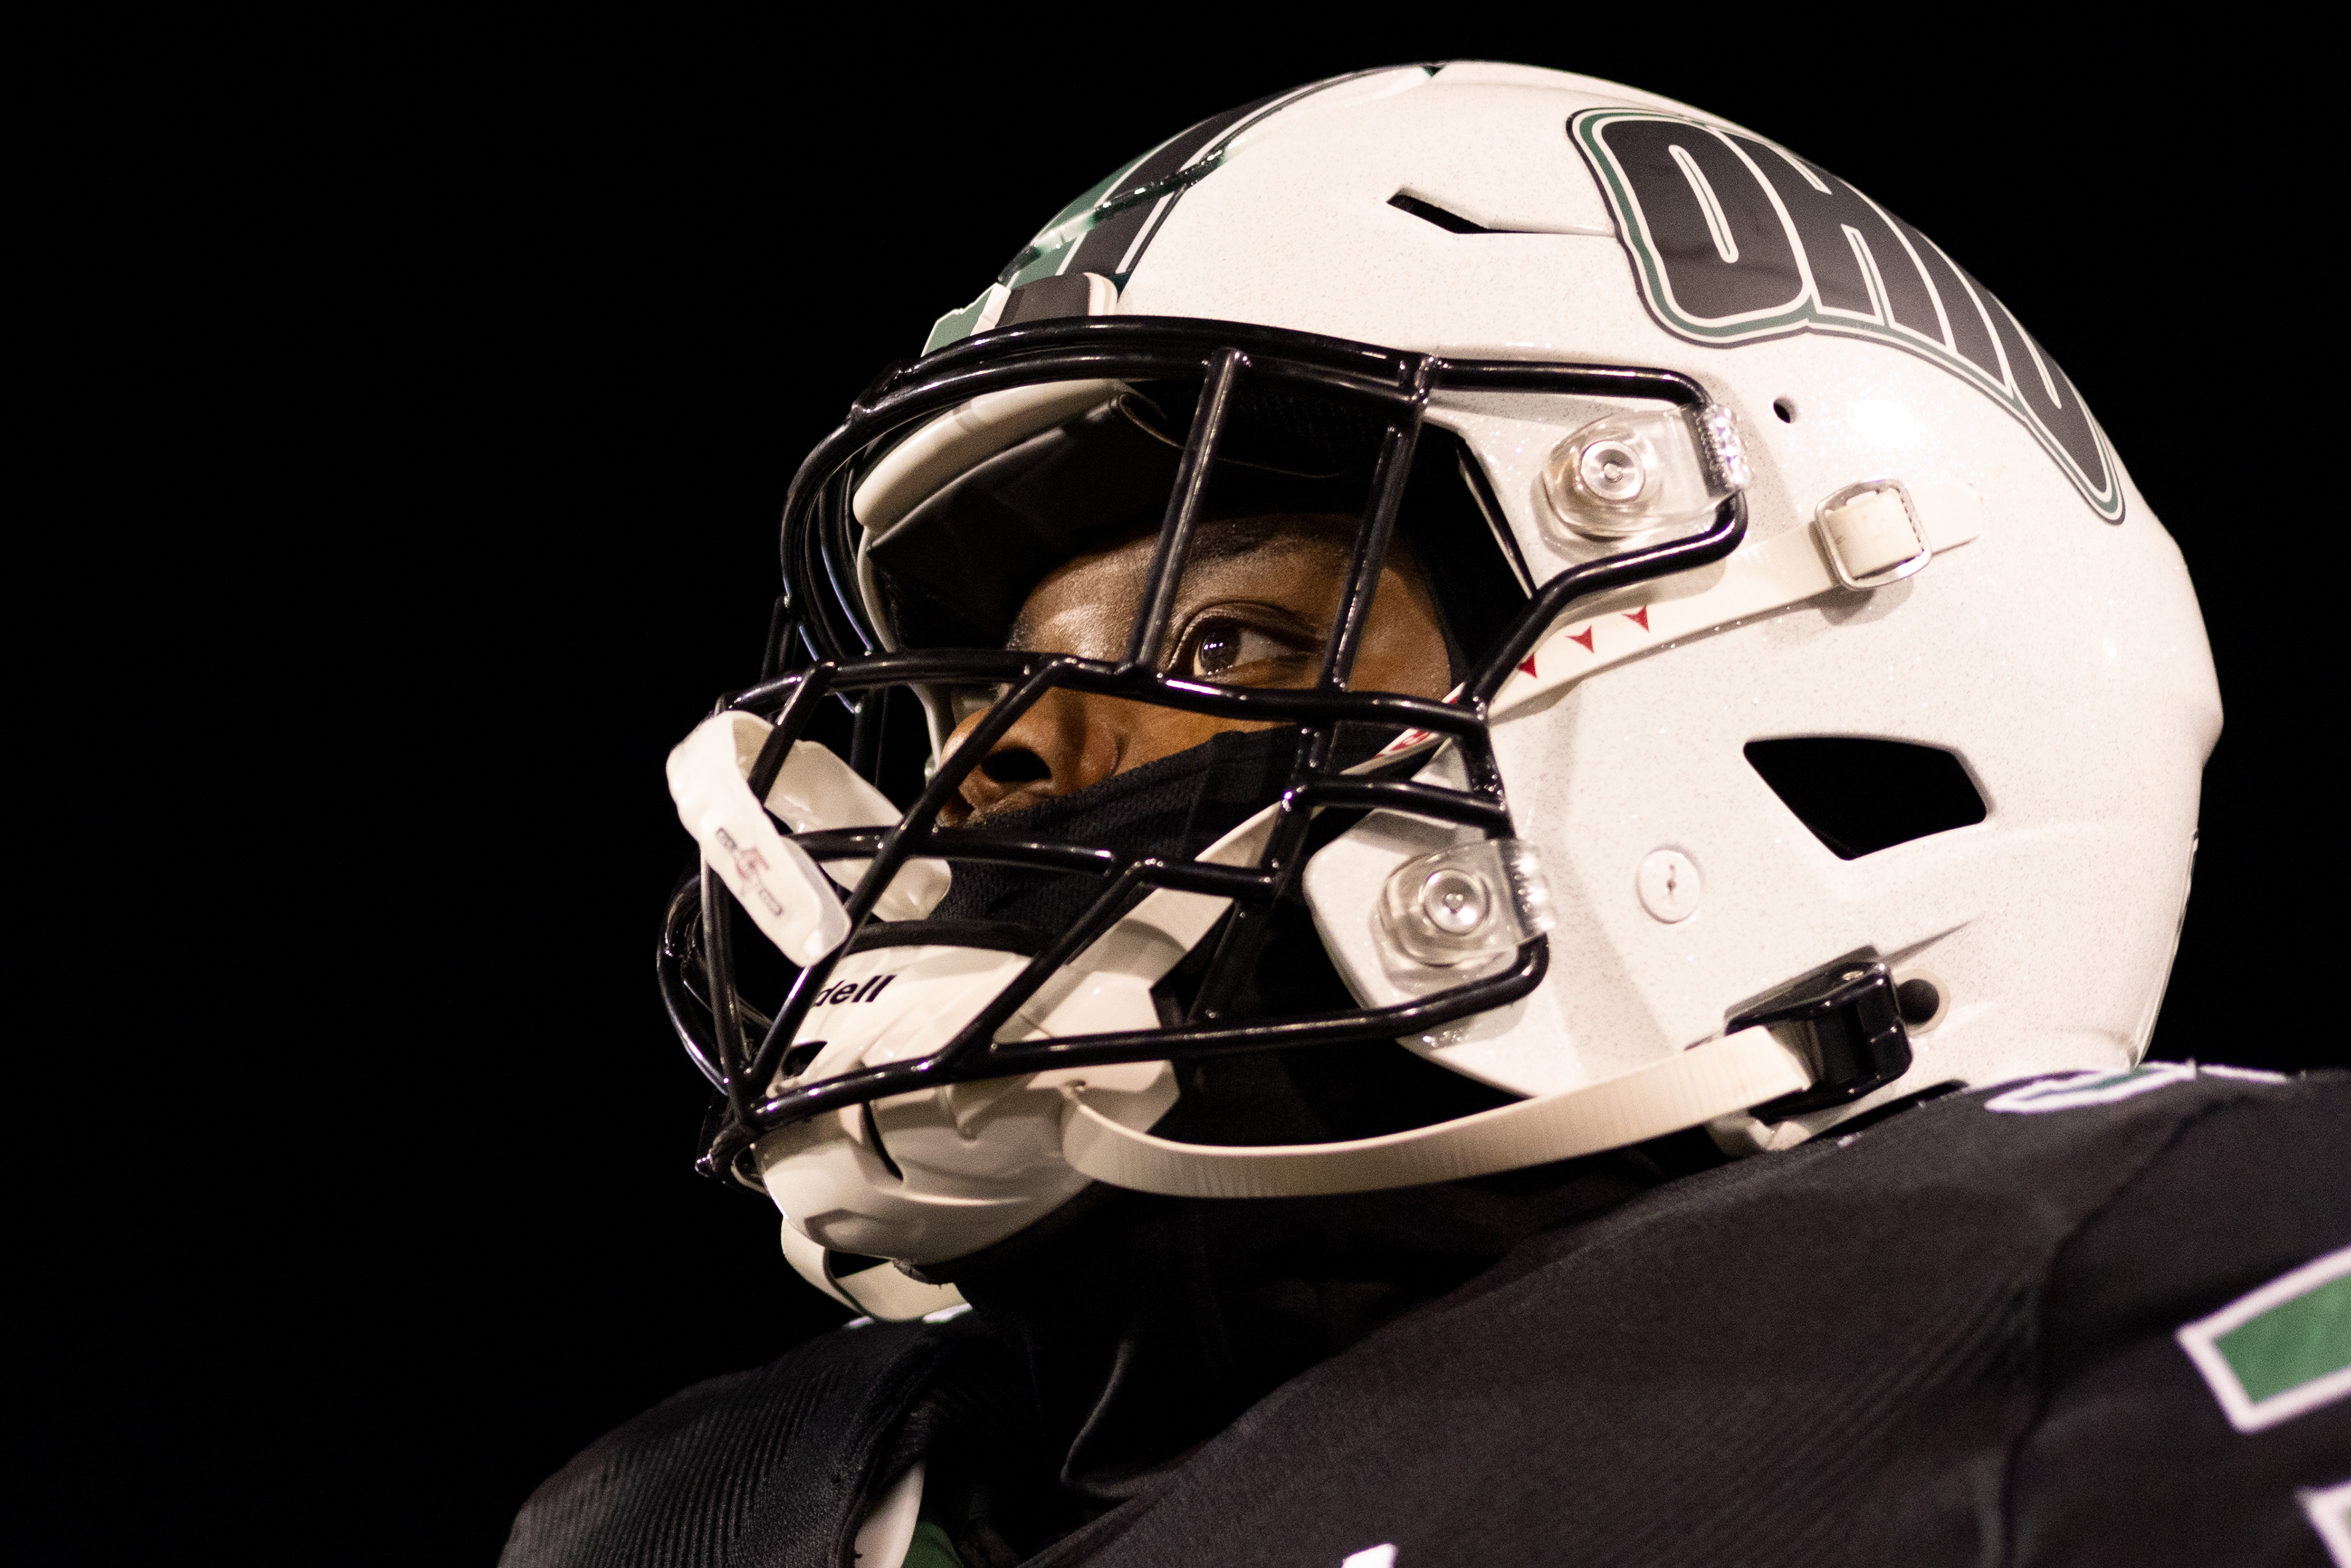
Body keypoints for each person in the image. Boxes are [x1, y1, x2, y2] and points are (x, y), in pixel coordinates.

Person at [504, 64, 2350, 1568]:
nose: (1004, 770)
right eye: (999, 701)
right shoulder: (693, 1516)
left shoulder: (2144, 1256)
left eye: (1223, 634)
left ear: (1812, 657)